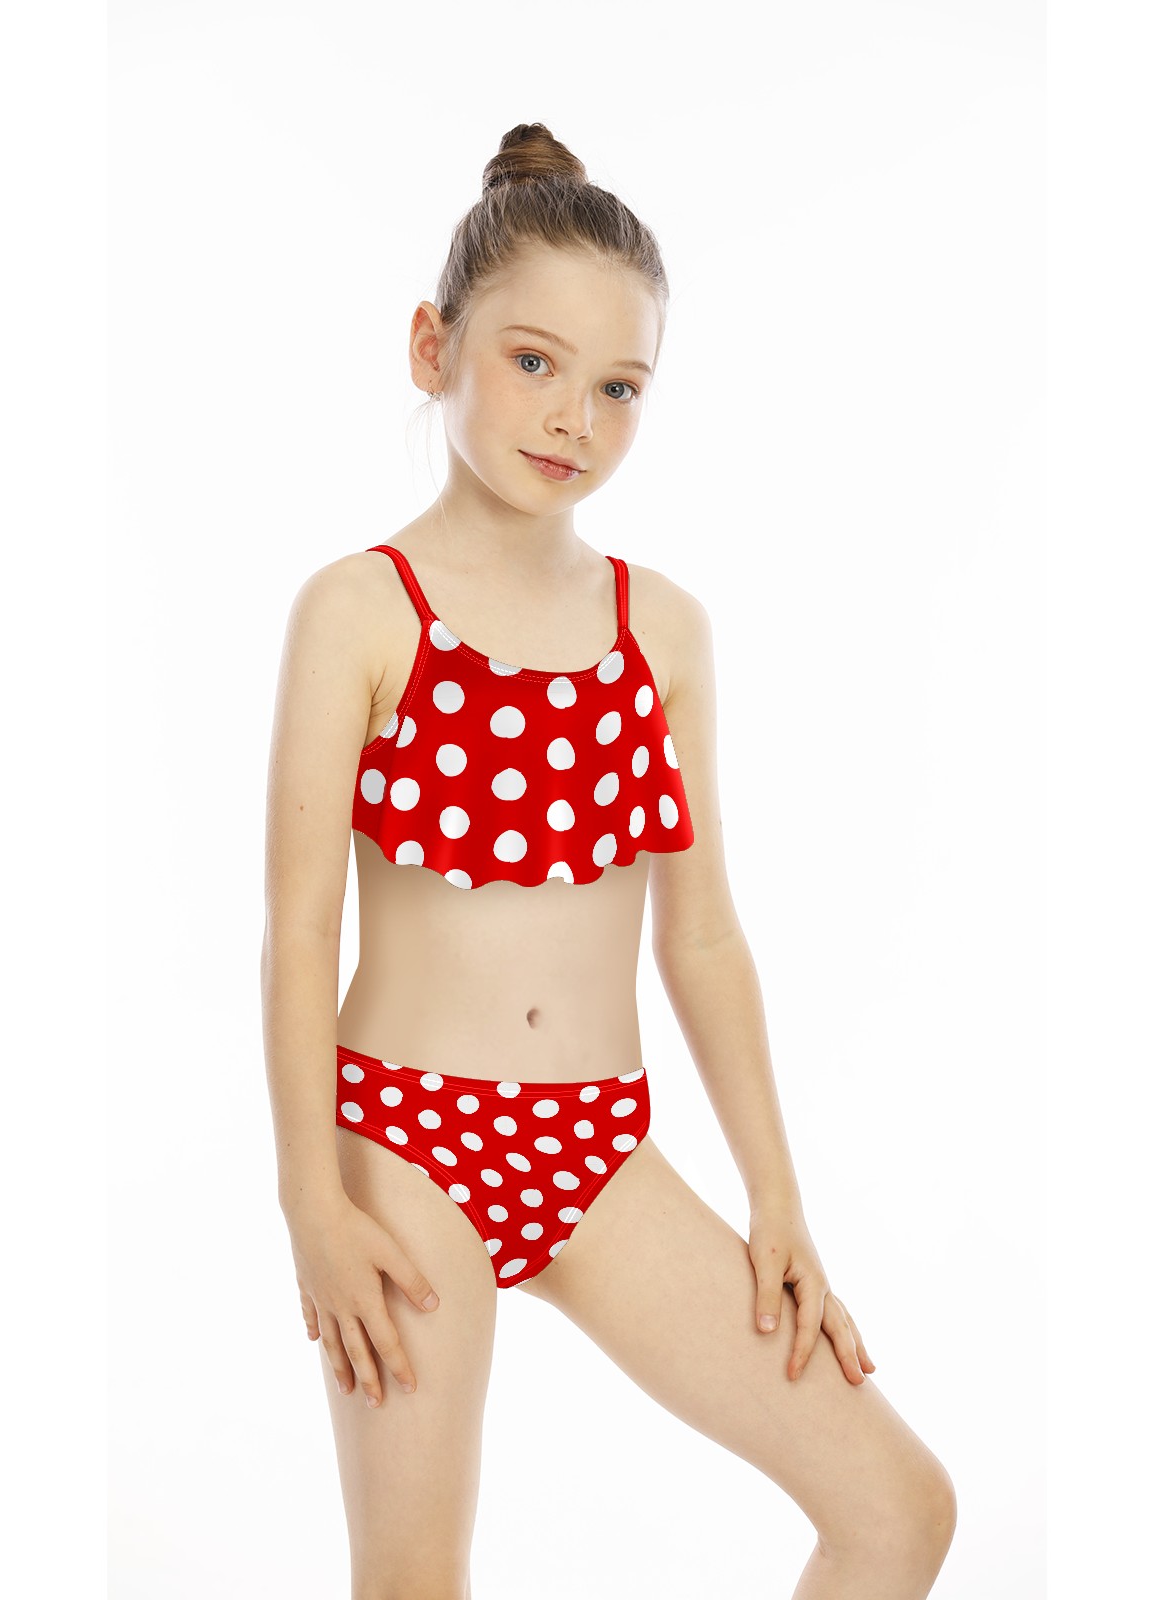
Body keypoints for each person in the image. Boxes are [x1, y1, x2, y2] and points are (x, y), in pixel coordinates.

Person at [260, 121, 956, 1600]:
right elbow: (298, 930)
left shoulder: (665, 631)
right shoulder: (360, 613)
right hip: (406, 1139)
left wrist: (778, 1201)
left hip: (595, 1145)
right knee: (413, 1578)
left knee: (899, 1510)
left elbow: (700, 936)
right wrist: (312, 1201)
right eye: (534, 362)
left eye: (619, 386)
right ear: (433, 348)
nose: (574, 416)